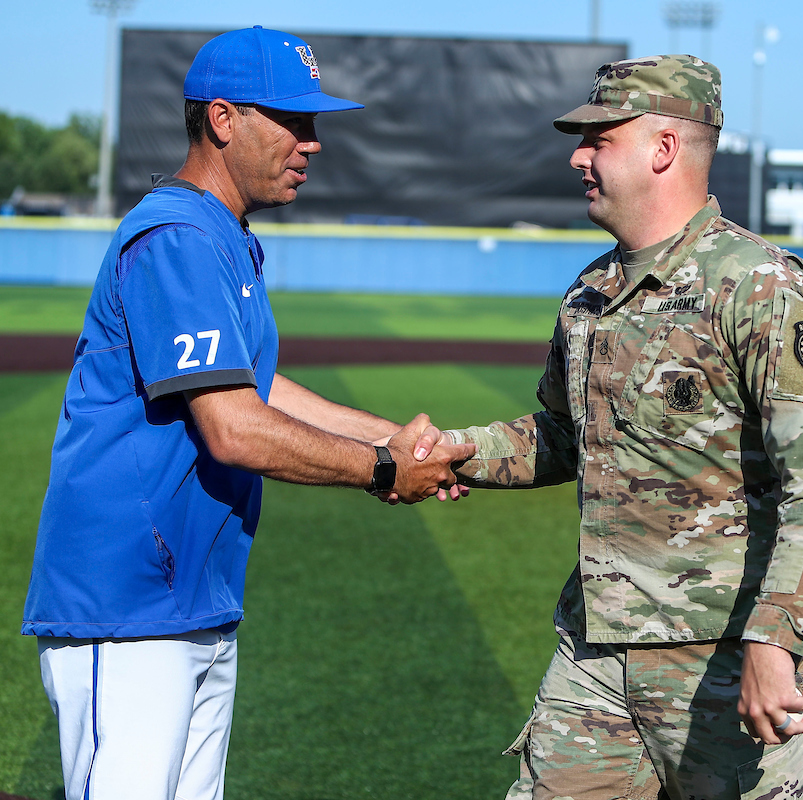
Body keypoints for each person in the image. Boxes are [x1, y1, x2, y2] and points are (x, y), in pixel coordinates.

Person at [21, 26, 473, 800]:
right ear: (224, 120)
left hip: (189, 599)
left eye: (315, 123)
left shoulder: (224, 235)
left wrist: (388, 436)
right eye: (293, 121)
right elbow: (232, 427)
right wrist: (387, 467)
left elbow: (255, 387)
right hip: (128, 608)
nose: (313, 142)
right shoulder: (176, 236)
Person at [445, 55, 803, 800]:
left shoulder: (761, 286)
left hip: (722, 660)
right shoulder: (590, 293)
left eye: (599, 138)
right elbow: (562, 435)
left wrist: (777, 640)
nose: (578, 155)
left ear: (663, 149)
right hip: (596, 655)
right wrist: (460, 454)